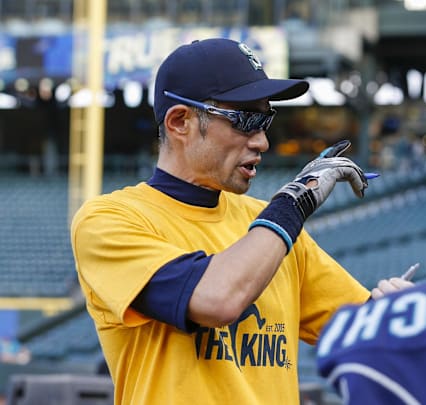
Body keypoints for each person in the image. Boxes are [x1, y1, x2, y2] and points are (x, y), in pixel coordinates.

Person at [70, 38, 387, 404]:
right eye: (247, 120)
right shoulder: (110, 220)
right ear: (180, 122)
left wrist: (397, 309)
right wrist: (294, 202)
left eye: (266, 120)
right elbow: (216, 300)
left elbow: (364, 331)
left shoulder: (268, 225)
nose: (263, 142)